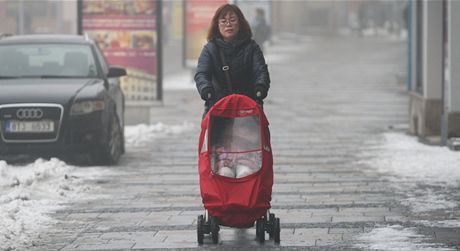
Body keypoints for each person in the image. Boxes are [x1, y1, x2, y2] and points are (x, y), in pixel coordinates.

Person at [194, 4, 271, 116]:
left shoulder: (251, 47)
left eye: (232, 20)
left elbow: (261, 71)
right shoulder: (210, 49)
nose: (228, 24)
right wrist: (205, 88)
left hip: (247, 108)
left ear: (240, 22)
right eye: (223, 21)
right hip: (218, 108)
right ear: (217, 25)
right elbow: (202, 73)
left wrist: (260, 87)